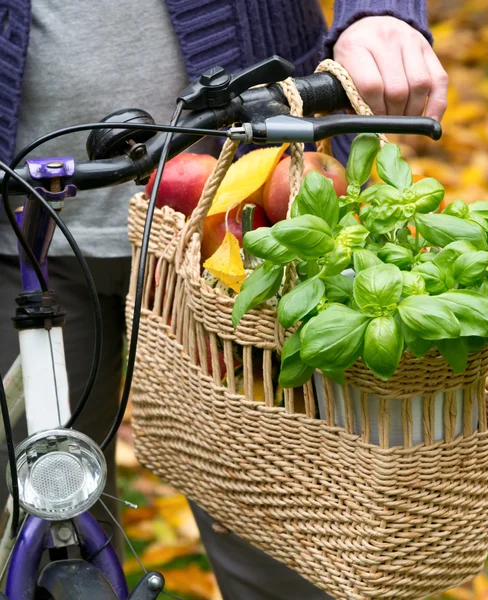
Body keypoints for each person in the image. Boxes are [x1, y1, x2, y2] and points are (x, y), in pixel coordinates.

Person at [0, 0, 447, 597]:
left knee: (286, 545)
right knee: (32, 517)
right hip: (24, 228)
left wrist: (379, 13)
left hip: (258, 228)